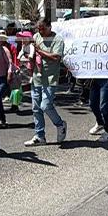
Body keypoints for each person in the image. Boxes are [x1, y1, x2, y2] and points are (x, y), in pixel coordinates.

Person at [24, 19, 68, 147]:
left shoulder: (57, 40)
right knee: (36, 108)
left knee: (46, 106)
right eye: (38, 29)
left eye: (42, 28)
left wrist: (39, 51)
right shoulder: (36, 37)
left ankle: (60, 124)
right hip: (37, 78)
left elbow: (56, 57)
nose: (40, 31)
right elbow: (32, 52)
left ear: (50, 27)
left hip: (50, 79)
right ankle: (39, 136)